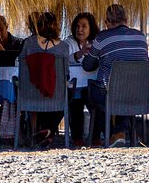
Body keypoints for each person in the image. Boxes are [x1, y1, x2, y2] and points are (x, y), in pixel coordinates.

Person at [86, 3, 149, 146]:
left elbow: (88, 65)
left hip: (111, 93)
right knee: (126, 89)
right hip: (140, 93)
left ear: (107, 22)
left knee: (90, 94)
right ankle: (119, 132)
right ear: (126, 20)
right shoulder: (140, 37)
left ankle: (113, 133)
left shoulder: (102, 37)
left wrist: (96, 54)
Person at [16, 11, 72, 147]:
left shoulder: (29, 42)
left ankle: (45, 132)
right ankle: (49, 129)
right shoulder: (64, 47)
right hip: (54, 95)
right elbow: (66, 74)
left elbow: (21, 62)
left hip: (31, 92)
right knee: (69, 93)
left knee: (42, 90)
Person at [64, 12, 101, 147]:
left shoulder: (97, 43)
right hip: (74, 85)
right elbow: (64, 60)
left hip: (92, 84)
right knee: (76, 102)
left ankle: (96, 137)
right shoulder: (69, 43)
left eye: (84, 26)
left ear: (91, 28)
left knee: (96, 104)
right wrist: (80, 53)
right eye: (77, 26)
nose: (80, 29)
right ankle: (77, 138)